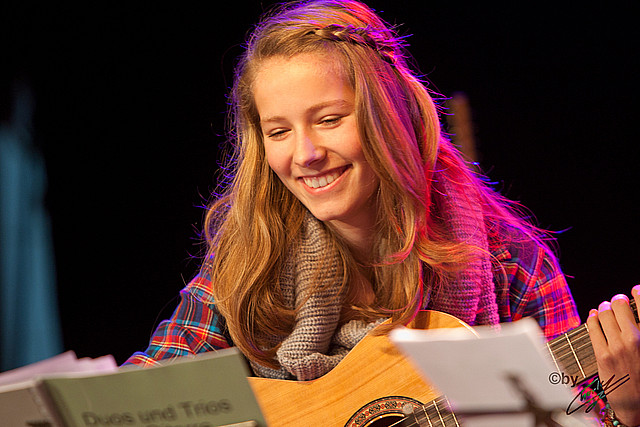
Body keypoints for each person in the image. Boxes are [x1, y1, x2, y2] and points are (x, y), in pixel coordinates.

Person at [123, 0, 639, 424]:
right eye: (279, 131)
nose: (304, 154)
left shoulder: (513, 263)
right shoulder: (247, 258)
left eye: (328, 120)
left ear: (387, 118)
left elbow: (579, 415)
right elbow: (146, 397)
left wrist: (627, 408)